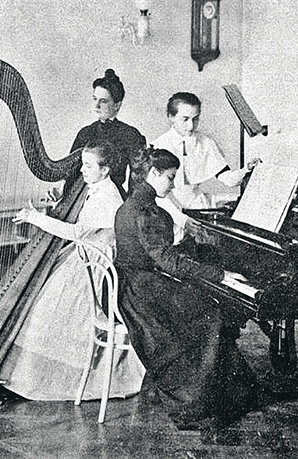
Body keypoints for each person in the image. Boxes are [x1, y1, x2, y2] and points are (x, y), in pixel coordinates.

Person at [114, 147, 261, 437]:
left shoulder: (132, 204)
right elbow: (167, 261)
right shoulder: (147, 212)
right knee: (210, 312)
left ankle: (228, 389)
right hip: (142, 292)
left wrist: (191, 251)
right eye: (170, 177)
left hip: (135, 284)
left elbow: (157, 253)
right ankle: (202, 399)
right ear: (153, 173)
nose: (173, 184)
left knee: (202, 304)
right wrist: (220, 274)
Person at [0, 139, 146, 400]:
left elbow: (77, 233)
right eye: (83, 165)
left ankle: (48, 377)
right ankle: (32, 373)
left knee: (46, 309)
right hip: (85, 257)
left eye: (88, 166)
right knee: (42, 306)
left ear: (105, 170)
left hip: (93, 266)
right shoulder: (97, 188)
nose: (82, 170)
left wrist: (35, 217)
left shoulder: (108, 196)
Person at [152, 92, 260, 242]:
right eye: (185, 119)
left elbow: (228, 179)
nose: (191, 126)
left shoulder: (206, 142)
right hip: (168, 210)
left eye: (195, 119)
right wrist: (182, 220)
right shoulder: (159, 145)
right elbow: (158, 195)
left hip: (197, 207)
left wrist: (246, 169)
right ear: (171, 117)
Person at [68, 69, 146, 198]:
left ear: (117, 105)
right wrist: (61, 191)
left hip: (112, 197)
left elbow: (137, 183)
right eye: (95, 99)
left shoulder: (131, 135)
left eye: (103, 101)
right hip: (82, 196)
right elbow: (71, 173)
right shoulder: (85, 133)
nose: (96, 106)